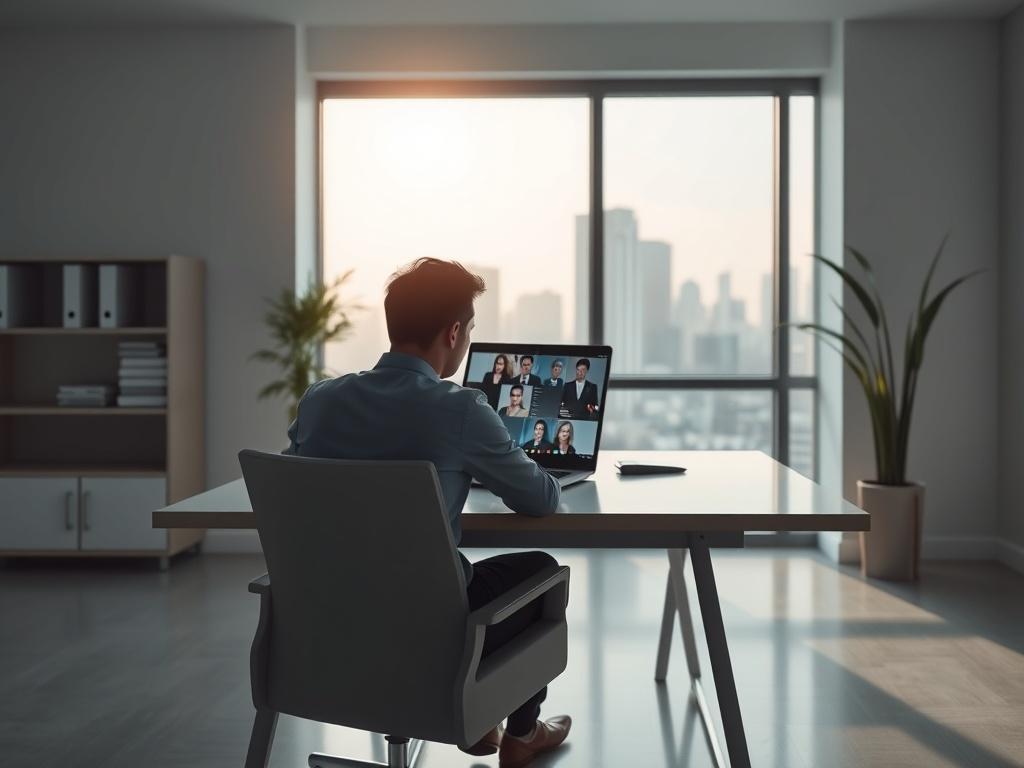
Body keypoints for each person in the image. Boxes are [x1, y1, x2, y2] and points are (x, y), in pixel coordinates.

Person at [285, 258, 571, 765]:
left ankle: (482, 724)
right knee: (541, 573)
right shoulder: (459, 408)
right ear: (454, 331)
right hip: (431, 637)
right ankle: (521, 735)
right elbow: (541, 499)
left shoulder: (319, 402)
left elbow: (293, 485)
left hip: (324, 630)